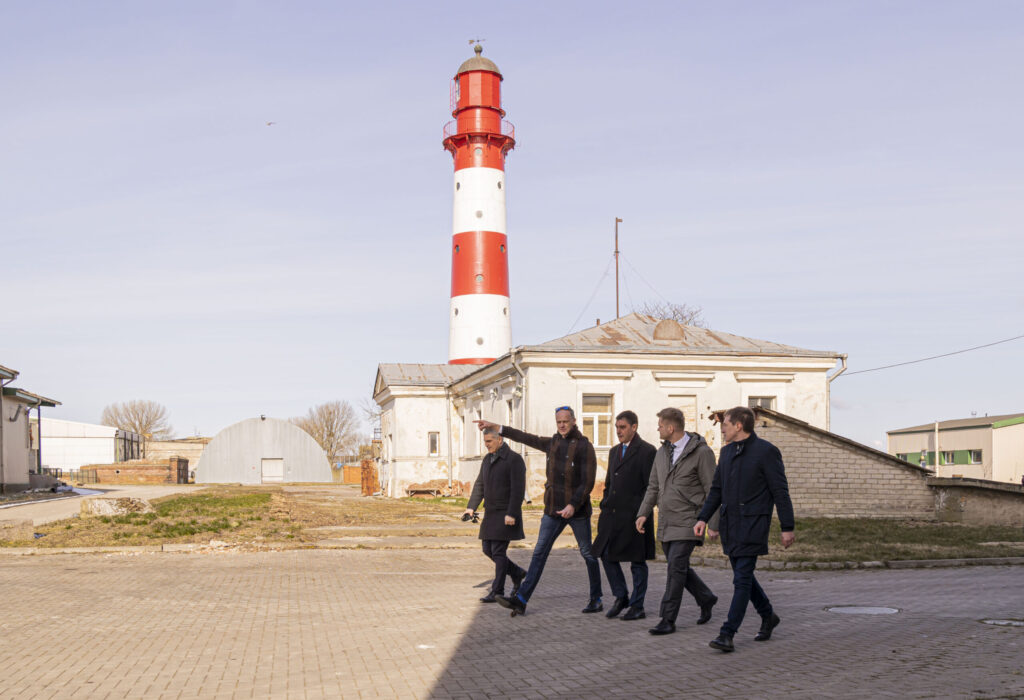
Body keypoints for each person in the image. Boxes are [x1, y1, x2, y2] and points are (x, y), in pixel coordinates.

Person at [475, 405, 602, 616]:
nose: (562, 425)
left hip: (577, 512)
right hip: (552, 511)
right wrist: (497, 427)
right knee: (539, 554)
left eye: (566, 421)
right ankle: (521, 600)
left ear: (574, 421)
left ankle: (596, 598)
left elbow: (587, 482)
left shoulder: (584, 446)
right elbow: (525, 437)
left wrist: (573, 505)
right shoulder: (552, 443)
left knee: (587, 553)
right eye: (559, 422)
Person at [695, 406, 795, 653]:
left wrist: (787, 526)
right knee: (744, 577)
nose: (722, 429)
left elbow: (780, 491)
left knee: (741, 580)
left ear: (738, 425)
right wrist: (703, 518)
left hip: (753, 524)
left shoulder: (766, 452)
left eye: (725, 424)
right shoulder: (727, 452)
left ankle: (727, 633)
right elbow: (716, 490)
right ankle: (768, 615)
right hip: (730, 525)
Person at [635, 407, 719, 636]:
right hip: (666, 522)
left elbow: (712, 489)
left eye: (660, 426)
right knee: (679, 568)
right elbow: (653, 486)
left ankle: (667, 619)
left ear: (671, 428)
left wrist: (713, 523)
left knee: (675, 569)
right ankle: (706, 598)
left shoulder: (701, 453)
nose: (658, 429)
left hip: (690, 520)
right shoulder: (662, 453)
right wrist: (643, 513)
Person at [592, 410, 657, 621]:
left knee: (637, 561)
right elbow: (609, 483)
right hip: (612, 515)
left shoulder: (647, 451)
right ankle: (621, 596)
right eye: (617, 427)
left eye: (623, 427)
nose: (618, 431)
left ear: (634, 427)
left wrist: (642, 513)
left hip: (635, 516)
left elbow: (651, 487)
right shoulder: (614, 451)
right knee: (605, 553)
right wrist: (605, 504)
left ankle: (637, 606)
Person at [465, 428, 527, 603]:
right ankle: (517, 573)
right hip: (491, 513)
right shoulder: (487, 459)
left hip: (506, 513)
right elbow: (480, 484)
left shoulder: (514, 459)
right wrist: (471, 507)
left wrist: (512, 513)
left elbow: (518, 490)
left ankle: (497, 591)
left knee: (498, 552)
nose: (486, 445)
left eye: (489, 441)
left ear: (499, 440)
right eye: (485, 442)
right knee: (487, 549)